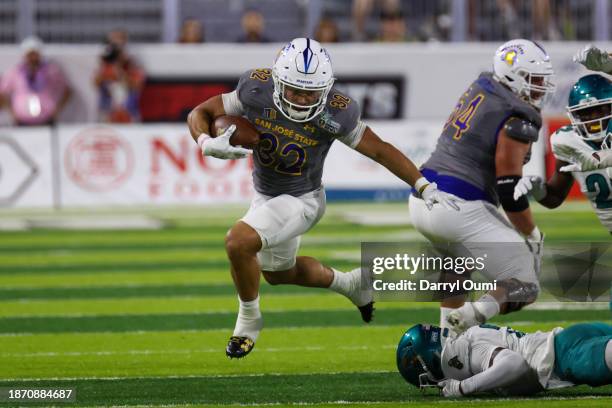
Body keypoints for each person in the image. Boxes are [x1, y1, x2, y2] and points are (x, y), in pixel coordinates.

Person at [187, 38, 460, 358]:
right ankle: (351, 284)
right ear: (277, 82)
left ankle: (249, 320)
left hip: (303, 200)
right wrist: (205, 141)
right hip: (266, 195)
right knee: (278, 274)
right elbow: (202, 111)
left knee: (238, 241)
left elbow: (380, 149)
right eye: (295, 90)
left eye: (311, 92)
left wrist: (422, 184)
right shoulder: (255, 88)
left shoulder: (337, 111)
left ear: (326, 88)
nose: (303, 99)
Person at [408, 39, 555, 335]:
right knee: (525, 283)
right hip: (459, 204)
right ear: (514, 76)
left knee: (457, 263)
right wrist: (532, 233)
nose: (540, 88)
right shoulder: (517, 116)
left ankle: (448, 347)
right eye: (534, 79)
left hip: (423, 197)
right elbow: (509, 188)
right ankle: (470, 318)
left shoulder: (484, 87)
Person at [397, 322, 612, 396]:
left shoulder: (459, 353)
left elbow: (513, 364)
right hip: (567, 339)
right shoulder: (467, 339)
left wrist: (464, 387)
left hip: (566, 356)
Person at [513, 74, 612, 233]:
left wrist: (604, 158)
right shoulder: (568, 142)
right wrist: (539, 191)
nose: (593, 119)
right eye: (585, 112)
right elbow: (555, 197)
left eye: (599, 110)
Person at [0, 36, 72, 126]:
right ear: (24, 55)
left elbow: (67, 91)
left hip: (47, 119)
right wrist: (12, 113)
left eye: (35, 54)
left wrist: (58, 110)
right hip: (22, 121)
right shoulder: (16, 72)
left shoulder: (51, 71)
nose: (33, 58)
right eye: (30, 54)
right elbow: (2, 93)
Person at [93, 35, 145, 123]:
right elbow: (95, 84)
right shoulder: (105, 67)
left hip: (129, 113)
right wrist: (106, 68)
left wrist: (120, 71)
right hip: (108, 113)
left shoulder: (133, 67)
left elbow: (137, 86)